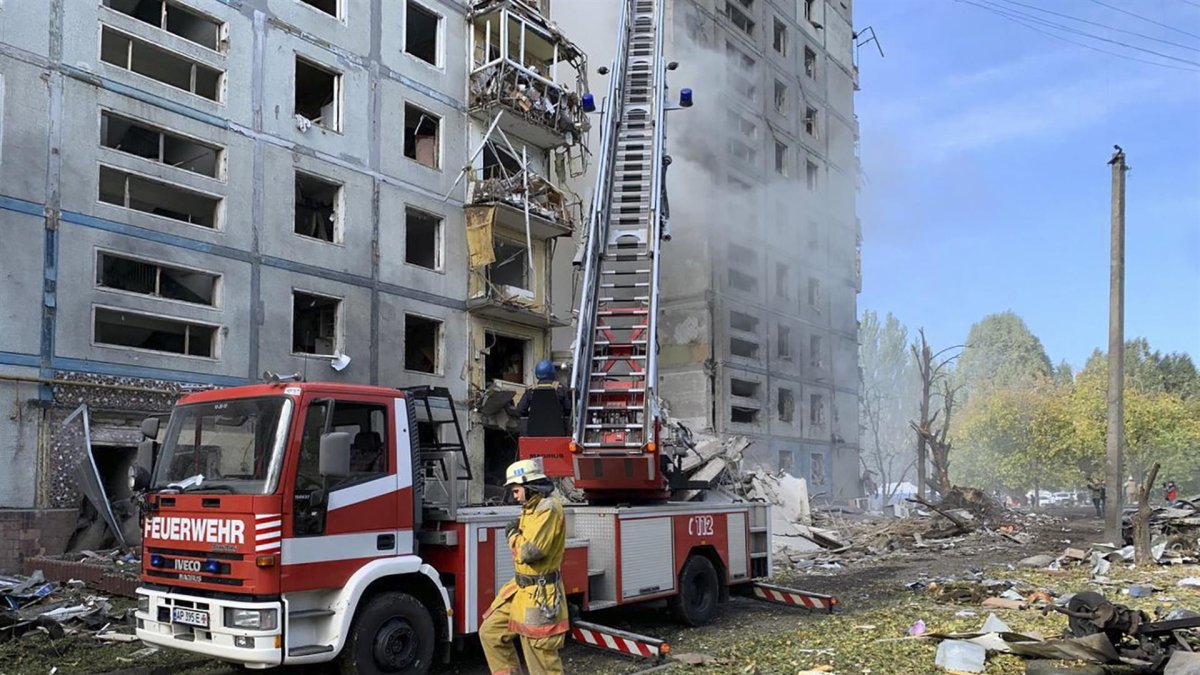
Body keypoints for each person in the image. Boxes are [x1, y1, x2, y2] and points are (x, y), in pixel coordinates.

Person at [480, 460, 568, 675]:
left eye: (516, 490)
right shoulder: (530, 508)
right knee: (490, 632)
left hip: (540, 596)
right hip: (520, 589)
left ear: (530, 486)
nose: (515, 496)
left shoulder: (548, 508)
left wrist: (512, 535)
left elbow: (529, 552)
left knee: (539, 656)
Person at [513, 359, 571, 436]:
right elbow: (569, 409)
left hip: (533, 433)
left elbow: (520, 410)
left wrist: (531, 416)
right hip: (559, 433)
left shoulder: (530, 390)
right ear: (552, 372)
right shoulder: (561, 389)